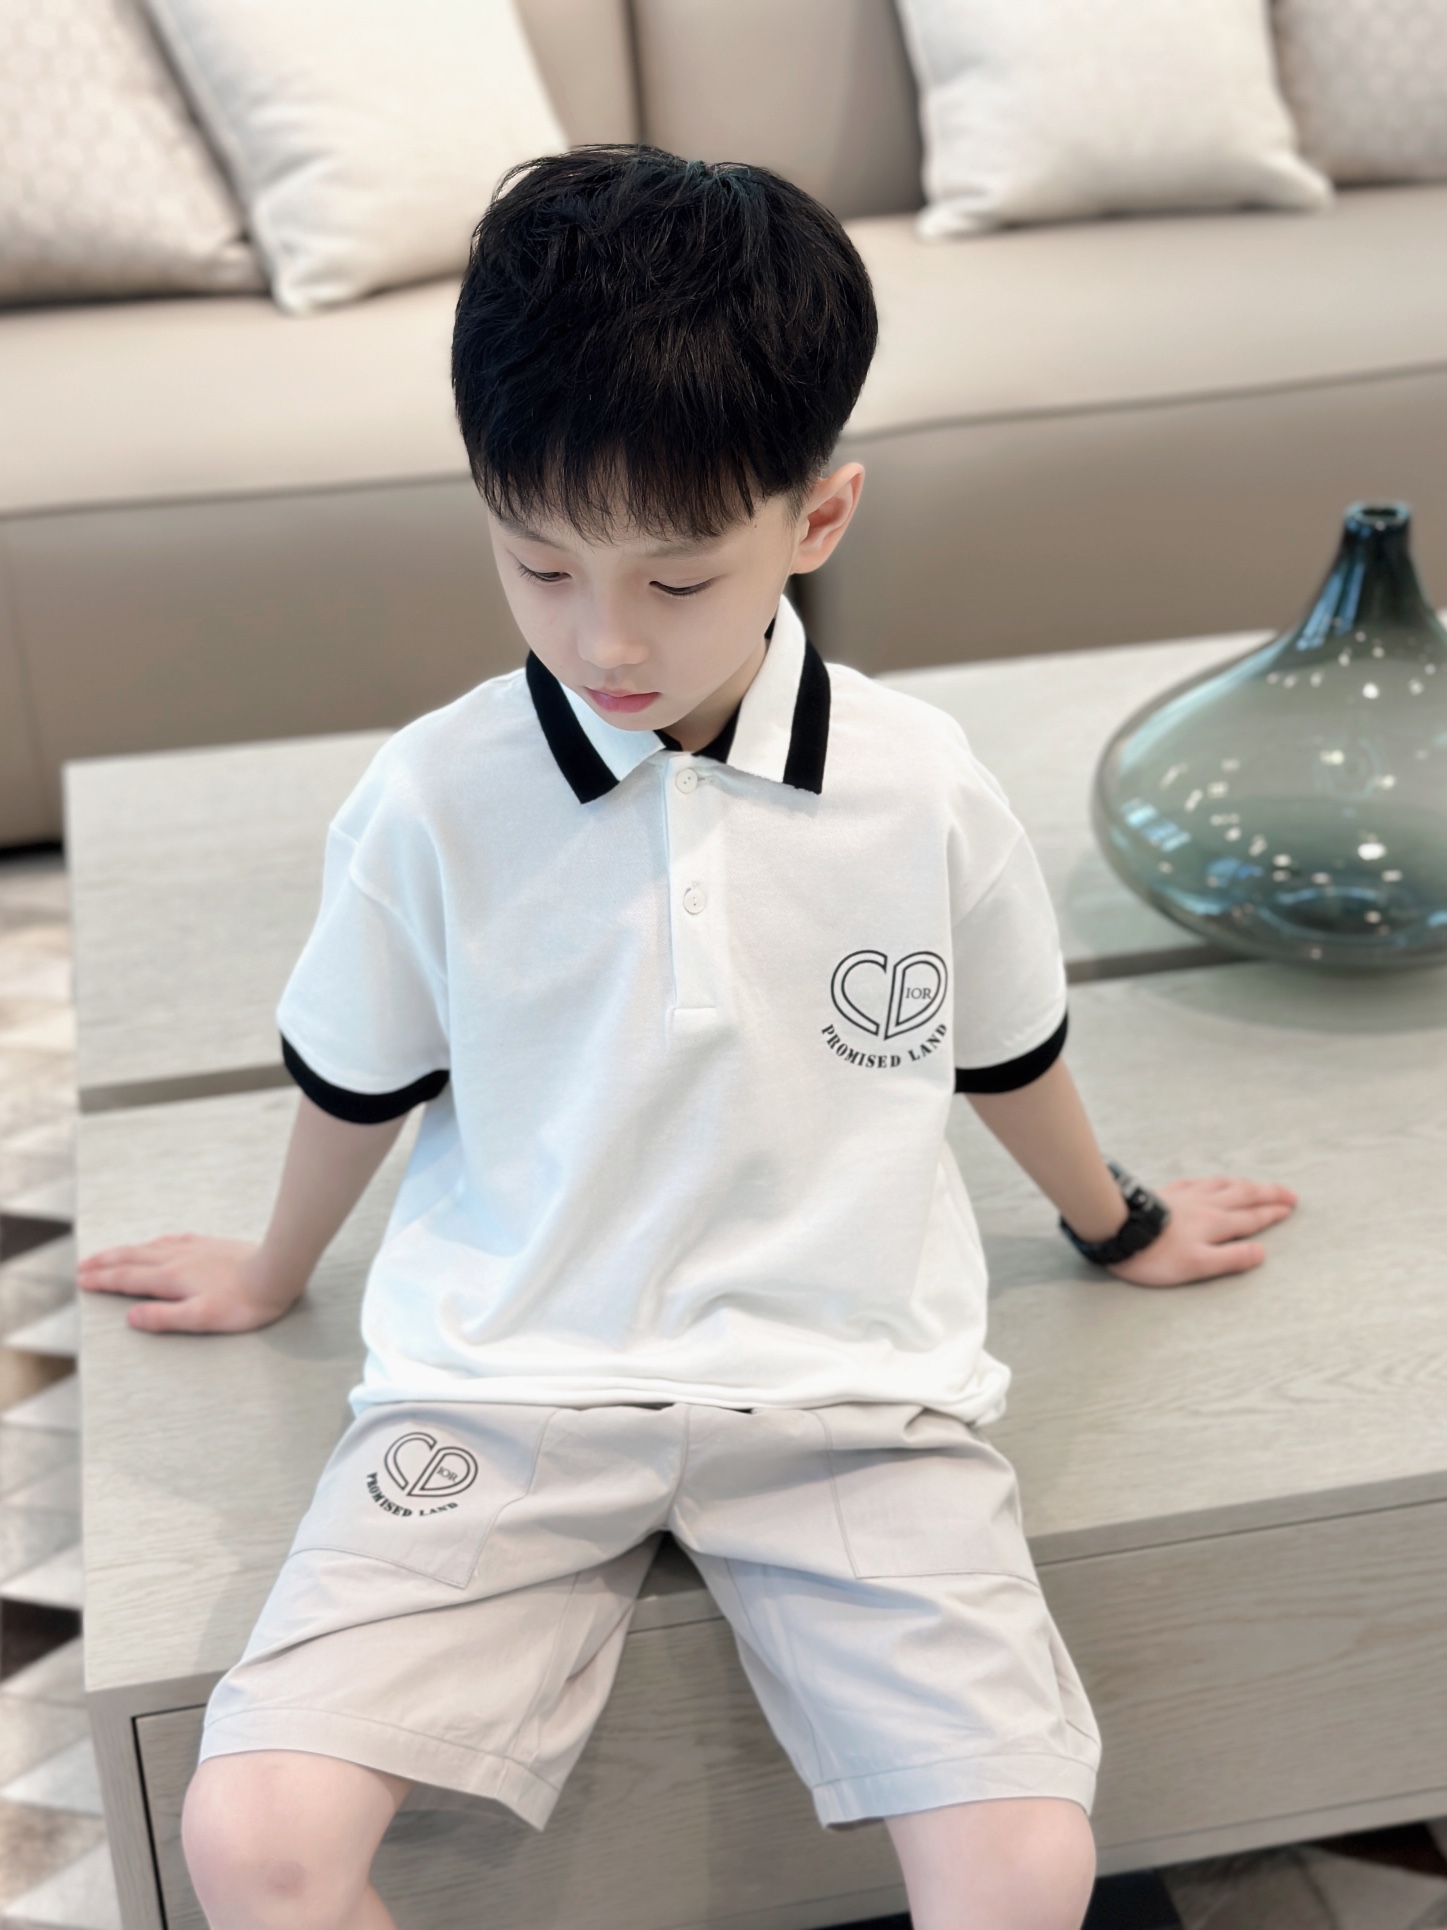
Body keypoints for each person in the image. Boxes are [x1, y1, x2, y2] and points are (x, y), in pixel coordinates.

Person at [80, 147, 1296, 1930]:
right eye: (539, 564)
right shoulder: (430, 795)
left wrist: (1118, 1223)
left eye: (675, 579)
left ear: (820, 518)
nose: (603, 639)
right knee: (252, 1841)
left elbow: (1003, 1048)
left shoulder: (921, 786)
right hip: (502, 1389)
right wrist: (272, 1270)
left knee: (1026, 1865)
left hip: (852, 1399)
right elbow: (361, 1073)